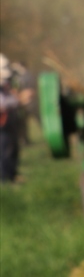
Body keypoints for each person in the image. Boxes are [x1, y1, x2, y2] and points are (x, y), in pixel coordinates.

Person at [0, 54, 29, 183]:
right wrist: (18, 100)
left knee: (12, 148)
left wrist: (18, 99)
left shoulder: (5, 86)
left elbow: (9, 99)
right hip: (3, 123)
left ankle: (12, 174)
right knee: (5, 149)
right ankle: (6, 177)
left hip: (8, 121)